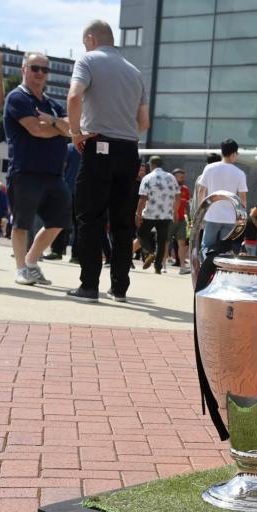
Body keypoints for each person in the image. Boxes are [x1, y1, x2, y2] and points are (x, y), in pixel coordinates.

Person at [67, 20, 149, 302]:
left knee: (90, 217)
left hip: (98, 145)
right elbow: (144, 122)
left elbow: (74, 96)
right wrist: (122, 134)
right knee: (123, 222)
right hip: (129, 150)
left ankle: (89, 285)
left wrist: (76, 134)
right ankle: (119, 288)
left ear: (90, 39)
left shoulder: (88, 61)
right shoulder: (135, 72)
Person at [4, 52, 72, 287]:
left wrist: (52, 121)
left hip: (54, 174)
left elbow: (71, 129)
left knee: (60, 220)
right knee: (21, 223)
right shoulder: (16, 98)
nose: (40, 73)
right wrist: (57, 126)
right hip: (25, 171)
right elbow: (36, 130)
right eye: (35, 68)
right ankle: (21, 269)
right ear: (24, 69)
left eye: (44, 69)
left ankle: (31, 262)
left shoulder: (51, 104)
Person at [195, 139, 248, 256]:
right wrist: (242, 218)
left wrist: (201, 211)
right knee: (224, 248)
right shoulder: (239, 173)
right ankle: (218, 271)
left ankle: (205, 269)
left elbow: (201, 191)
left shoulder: (209, 168)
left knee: (207, 246)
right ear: (233, 153)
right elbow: (243, 197)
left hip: (211, 215)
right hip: (230, 217)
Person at [135, 155, 179, 277]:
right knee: (161, 240)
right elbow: (178, 196)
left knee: (141, 234)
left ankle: (149, 252)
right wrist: (175, 212)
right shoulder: (171, 177)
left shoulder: (148, 178)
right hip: (166, 215)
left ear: (151, 164)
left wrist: (138, 213)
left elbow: (143, 198)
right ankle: (158, 268)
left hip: (150, 213)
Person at [170, 168, 191, 274]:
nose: (183, 179)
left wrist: (190, 217)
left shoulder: (185, 189)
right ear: (174, 177)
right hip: (169, 219)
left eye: (183, 177)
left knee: (182, 244)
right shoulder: (168, 188)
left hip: (182, 220)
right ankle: (162, 266)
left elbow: (187, 204)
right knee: (165, 242)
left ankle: (182, 267)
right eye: (180, 177)